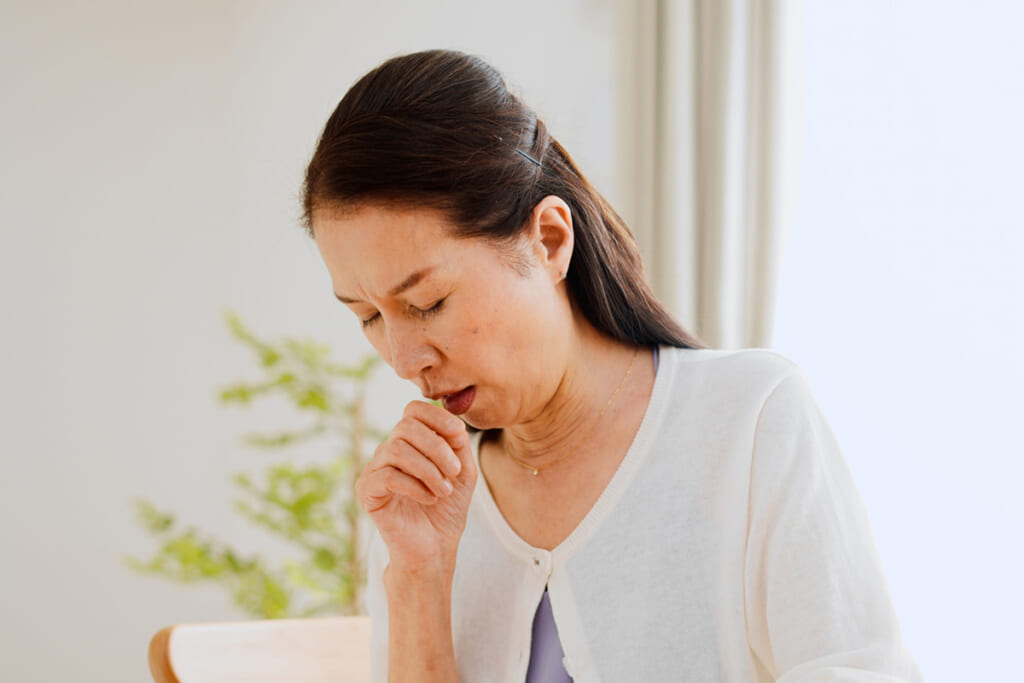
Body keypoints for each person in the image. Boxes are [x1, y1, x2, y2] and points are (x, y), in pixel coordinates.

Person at [301, 49, 922, 683]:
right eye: (369, 318)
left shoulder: (749, 419)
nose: (404, 360)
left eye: (428, 303)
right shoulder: (424, 510)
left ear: (548, 240)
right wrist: (417, 580)